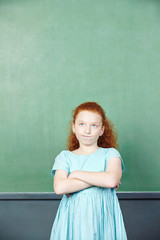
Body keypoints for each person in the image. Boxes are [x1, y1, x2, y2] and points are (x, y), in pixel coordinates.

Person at [50, 101, 127, 240]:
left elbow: (110, 180)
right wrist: (99, 179)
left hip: (103, 219)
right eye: (82, 124)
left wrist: (76, 174)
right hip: (73, 220)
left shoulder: (111, 154)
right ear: (74, 127)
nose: (87, 130)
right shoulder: (64, 157)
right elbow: (60, 187)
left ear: (102, 130)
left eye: (94, 125)